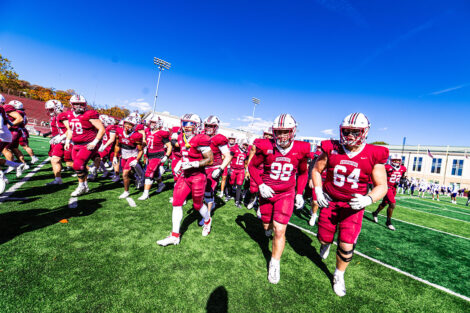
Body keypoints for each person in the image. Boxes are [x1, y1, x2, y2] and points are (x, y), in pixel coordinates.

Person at [312, 112, 388, 297]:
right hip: (330, 200)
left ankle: (339, 275)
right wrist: (319, 190)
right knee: (323, 238)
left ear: (365, 132)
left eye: (356, 131)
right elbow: (316, 169)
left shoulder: (374, 153)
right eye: (347, 131)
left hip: (353, 206)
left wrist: (368, 199)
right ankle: (326, 243)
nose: (350, 135)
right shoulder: (331, 148)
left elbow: (382, 186)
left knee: (346, 244)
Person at [248, 114, 309, 284]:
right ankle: (267, 230)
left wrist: (299, 193)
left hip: (286, 193)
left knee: (279, 229)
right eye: (279, 131)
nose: (282, 135)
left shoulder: (301, 148)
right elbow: (252, 166)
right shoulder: (266, 145)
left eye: (285, 131)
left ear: (293, 131)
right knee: (266, 224)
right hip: (267, 191)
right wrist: (260, 184)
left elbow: (303, 172)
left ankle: (274, 263)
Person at [157, 114, 214, 246]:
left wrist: (194, 164)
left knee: (197, 205)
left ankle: (207, 220)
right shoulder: (182, 138)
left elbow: (210, 160)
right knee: (176, 202)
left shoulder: (201, 139)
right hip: (185, 175)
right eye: (184, 124)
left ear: (196, 126)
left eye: (189, 125)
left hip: (198, 177)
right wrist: (179, 163)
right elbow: (185, 154)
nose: (186, 127)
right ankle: (175, 235)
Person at [64, 95, 105, 196]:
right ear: (72, 105)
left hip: (88, 144)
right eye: (76, 104)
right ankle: (85, 185)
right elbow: (70, 130)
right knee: (79, 166)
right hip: (76, 144)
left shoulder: (89, 114)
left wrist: (94, 142)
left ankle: (81, 186)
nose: (79, 106)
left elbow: (102, 129)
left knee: (78, 164)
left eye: (81, 104)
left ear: (85, 104)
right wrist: (67, 140)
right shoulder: (69, 115)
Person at [202, 115, 232, 220]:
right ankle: (211, 202)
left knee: (207, 191)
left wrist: (220, 169)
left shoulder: (219, 138)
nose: (209, 128)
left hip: (214, 167)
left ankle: (207, 215)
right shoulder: (201, 135)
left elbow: (228, 156)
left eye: (212, 126)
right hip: (202, 166)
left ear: (216, 127)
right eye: (207, 125)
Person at [139, 114, 171, 200]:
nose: (152, 124)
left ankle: (146, 193)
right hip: (150, 155)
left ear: (159, 123)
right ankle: (161, 185)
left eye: (154, 122)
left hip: (158, 155)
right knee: (156, 173)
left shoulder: (162, 133)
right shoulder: (148, 131)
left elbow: (169, 146)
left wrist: (167, 156)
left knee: (149, 172)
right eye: (151, 122)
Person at [371, 153, 407, 230]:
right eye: (395, 160)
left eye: (398, 160)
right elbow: (379, 175)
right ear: (391, 160)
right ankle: (388, 222)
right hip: (387, 187)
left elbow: (403, 175)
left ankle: (375, 213)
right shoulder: (386, 167)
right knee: (392, 204)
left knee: (385, 203)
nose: (397, 161)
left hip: (394, 188)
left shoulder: (403, 168)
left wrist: (403, 180)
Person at [114, 116, 144, 199]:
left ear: (134, 126)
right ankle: (137, 178)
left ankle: (126, 192)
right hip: (124, 154)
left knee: (125, 173)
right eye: (126, 123)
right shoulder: (119, 131)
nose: (127, 126)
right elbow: (117, 145)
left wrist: (137, 159)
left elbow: (141, 150)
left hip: (132, 154)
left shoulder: (137, 135)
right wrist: (115, 156)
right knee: (128, 174)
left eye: (130, 124)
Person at [44, 99, 72, 185]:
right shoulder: (56, 116)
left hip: (69, 141)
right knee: (54, 159)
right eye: (48, 109)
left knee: (70, 163)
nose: (49, 111)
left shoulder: (63, 115)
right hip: (62, 140)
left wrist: (61, 137)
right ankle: (58, 179)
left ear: (57, 108)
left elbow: (70, 129)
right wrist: (57, 137)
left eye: (51, 109)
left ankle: (91, 169)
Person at [0, 98, 24, 194]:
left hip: (1, 135)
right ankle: (15, 165)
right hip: (4, 135)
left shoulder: (3, 108)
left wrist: (7, 127)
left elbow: (1, 123)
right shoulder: (2, 109)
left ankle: (2, 178)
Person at [2, 100, 28, 176]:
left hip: (11, 131)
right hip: (16, 131)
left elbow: (20, 119)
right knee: (14, 149)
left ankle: (12, 165)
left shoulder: (6, 107)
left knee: (5, 149)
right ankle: (23, 164)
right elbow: (24, 121)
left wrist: (9, 125)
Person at [229, 138, 249, 207]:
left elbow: (246, 163)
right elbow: (229, 158)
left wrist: (247, 171)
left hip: (241, 170)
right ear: (241, 144)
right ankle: (229, 194)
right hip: (233, 169)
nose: (245, 147)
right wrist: (229, 167)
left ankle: (237, 201)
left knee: (239, 185)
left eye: (246, 145)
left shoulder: (246, 153)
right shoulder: (234, 149)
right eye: (244, 145)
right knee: (231, 182)